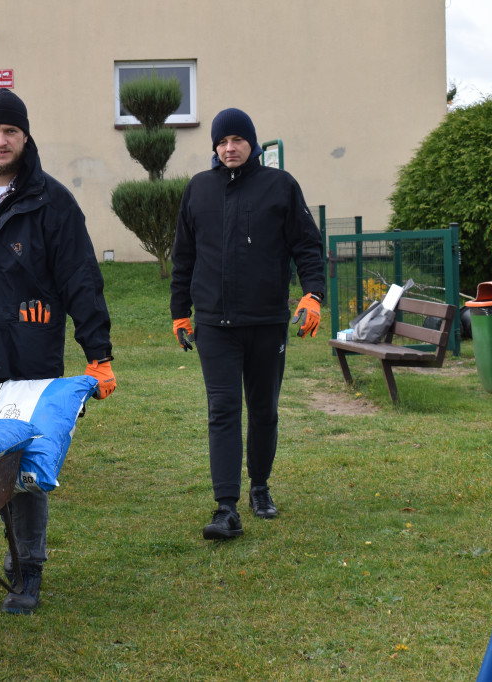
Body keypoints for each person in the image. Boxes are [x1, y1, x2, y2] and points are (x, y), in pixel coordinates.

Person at [0, 88, 116, 613]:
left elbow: (81, 279)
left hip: (30, 360)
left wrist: (97, 353)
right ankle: (1, 547)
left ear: (25, 136)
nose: (1, 140)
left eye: (10, 131)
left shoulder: (51, 201)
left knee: (25, 470)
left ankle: (27, 567)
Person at [169, 107, 325, 541]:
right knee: (222, 410)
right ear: (214, 148)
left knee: (263, 411)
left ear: (252, 144)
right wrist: (180, 311)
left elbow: (308, 247)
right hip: (214, 326)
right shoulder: (198, 190)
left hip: (266, 322)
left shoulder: (280, 187)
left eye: (237, 140)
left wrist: (313, 294)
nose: (229, 147)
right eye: (222, 142)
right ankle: (225, 507)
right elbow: (184, 258)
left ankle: (260, 486)